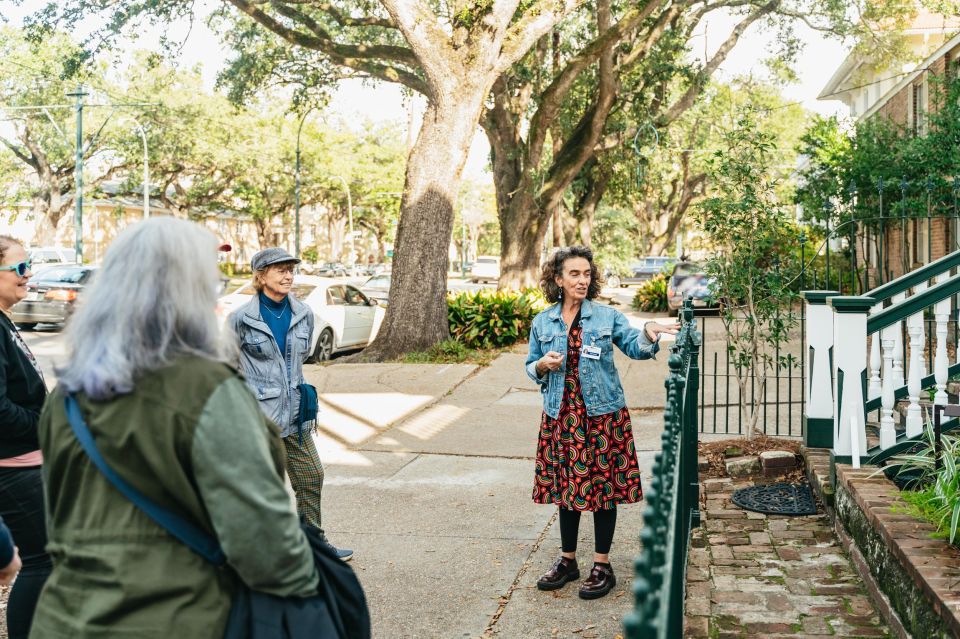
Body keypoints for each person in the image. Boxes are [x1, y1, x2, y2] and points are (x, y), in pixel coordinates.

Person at [30, 219, 320, 638]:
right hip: (176, 618)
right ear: (190, 294)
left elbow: (57, 517)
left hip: (64, 619)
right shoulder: (208, 389)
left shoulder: (66, 396)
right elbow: (266, 545)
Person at [526, 246, 678, 600]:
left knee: (603, 491)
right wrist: (542, 365)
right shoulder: (542, 322)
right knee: (567, 490)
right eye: (574, 274)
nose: (582, 280)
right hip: (561, 417)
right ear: (558, 279)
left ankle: (602, 565)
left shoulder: (607, 317)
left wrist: (649, 333)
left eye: (587, 274)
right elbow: (530, 366)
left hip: (602, 417)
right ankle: (568, 561)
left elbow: (636, 348)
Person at [229, 248, 353, 561]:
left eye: (290, 270)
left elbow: (301, 358)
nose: (288, 276)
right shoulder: (241, 319)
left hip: (296, 414)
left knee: (312, 476)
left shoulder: (303, 314)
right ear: (261, 276)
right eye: (280, 270)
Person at [0, 235, 52, 638]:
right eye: (20, 267)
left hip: (26, 461)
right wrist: (45, 424)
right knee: (42, 561)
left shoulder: (3, 321)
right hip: (13, 467)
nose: (28, 273)